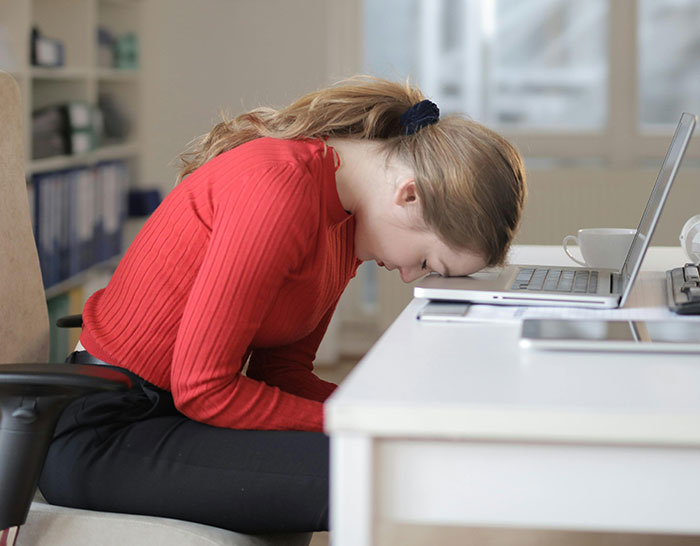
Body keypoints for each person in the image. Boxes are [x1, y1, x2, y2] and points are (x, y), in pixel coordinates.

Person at [39, 76, 527, 534]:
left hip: (171, 418)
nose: (408, 275)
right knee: (383, 473)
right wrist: (362, 420)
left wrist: (388, 412)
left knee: (395, 455)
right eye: (425, 260)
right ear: (410, 195)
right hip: (108, 434)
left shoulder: (345, 224)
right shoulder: (280, 187)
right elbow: (204, 389)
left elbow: (284, 372)